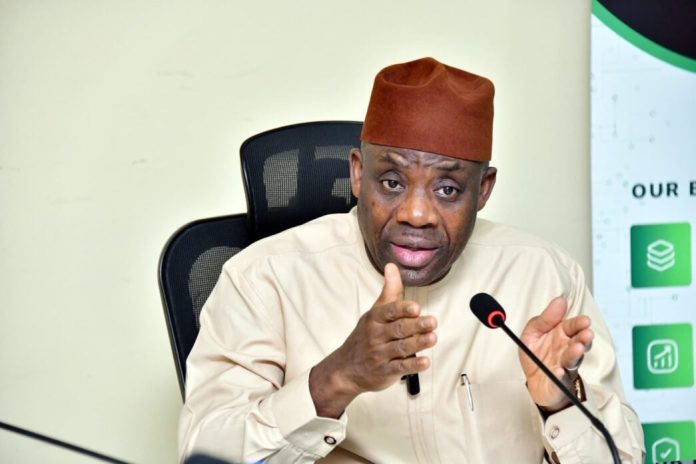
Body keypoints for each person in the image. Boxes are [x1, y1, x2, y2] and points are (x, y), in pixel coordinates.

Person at [178, 57, 645, 463]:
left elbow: (622, 458)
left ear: (483, 191)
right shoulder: (265, 278)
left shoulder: (542, 276)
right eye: (392, 183)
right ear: (357, 173)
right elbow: (208, 454)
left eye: (448, 189)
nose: (416, 214)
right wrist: (335, 378)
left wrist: (559, 405)